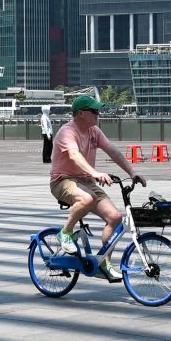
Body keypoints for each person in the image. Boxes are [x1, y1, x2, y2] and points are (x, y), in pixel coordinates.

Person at [51, 94, 145, 281]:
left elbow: (112, 150)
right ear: (81, 114)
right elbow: (74, 156)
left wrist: (132, 173)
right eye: (94, 111)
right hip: (63, 180)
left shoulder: (94, 131)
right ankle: (65, 233)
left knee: (115, 217)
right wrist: (95, 173)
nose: (98, 114)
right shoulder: (67, 132)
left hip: (86, 181)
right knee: (86, 199)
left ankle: (104, 263)